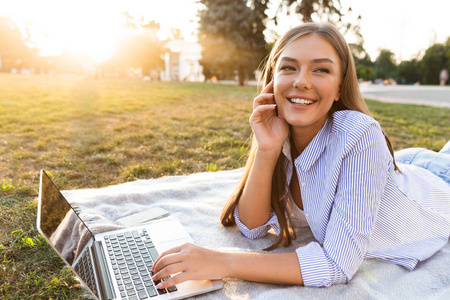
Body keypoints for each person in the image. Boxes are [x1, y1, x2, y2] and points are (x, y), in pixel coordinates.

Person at [151, 23, 450, 288]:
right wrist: (267, 148)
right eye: (288, 67)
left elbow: (336, 264)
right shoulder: (281, 136)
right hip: (405, 168)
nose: (301, 81)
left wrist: (224, 262)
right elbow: (252, 227)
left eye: (321, 69)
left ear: (337, 88)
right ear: (272, 81)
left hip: (439, 181)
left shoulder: (359, 135)